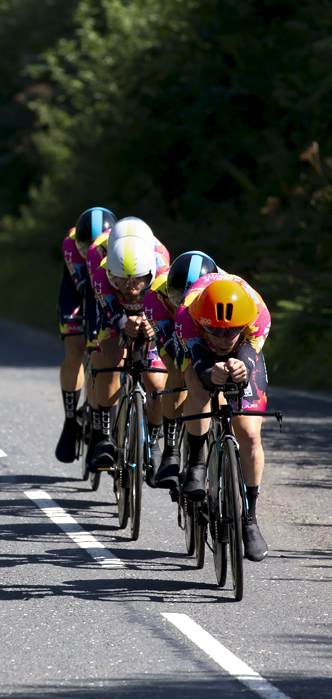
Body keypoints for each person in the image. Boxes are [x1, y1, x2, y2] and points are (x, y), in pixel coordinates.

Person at [174, 274, 271, 561]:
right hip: (197, 347)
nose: (224, 338)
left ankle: (250, 518)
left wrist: (243, 364)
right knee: (199, 389)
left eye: (231, 331)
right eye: (215, 331)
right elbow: (200, 363)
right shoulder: (185, 317)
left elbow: (248, 350)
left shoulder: (258, 316)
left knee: (250, 434)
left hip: (247, 346)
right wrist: (209, 373)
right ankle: (196, 461)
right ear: (204, 323)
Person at [86, 218, 170, 474]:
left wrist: (150, 326)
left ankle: (153, 442)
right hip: (115, 316)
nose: (130, 287)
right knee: (111, 361)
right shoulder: (101, 273)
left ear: (150, 273)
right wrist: (126, 326)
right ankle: (106, 436)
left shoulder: (163, 271)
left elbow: (166, 312)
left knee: (157, 385)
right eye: (121, 280)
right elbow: (111, 313)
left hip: (151, 314)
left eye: (137, 281)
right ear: (111, 271)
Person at [143, 251, 219, 488]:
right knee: (178, 373)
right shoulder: (157, 294)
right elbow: (178, 353)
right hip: (169, 323)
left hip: (208, 322)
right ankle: (171, 450)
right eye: (178, 297)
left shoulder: (221, 285)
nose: (183, 303)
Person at [55, 207, 116, 464]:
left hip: (109, 291)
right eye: (84, 246)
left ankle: (100, 417)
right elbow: (84, 287)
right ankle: (71, 421)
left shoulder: (117, 249)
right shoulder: (70, 244)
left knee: (106, 354)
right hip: (79, 293)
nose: (88, 251)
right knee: (77, 346)